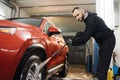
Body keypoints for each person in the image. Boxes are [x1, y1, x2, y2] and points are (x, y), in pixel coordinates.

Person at [66, 7, 116, 80]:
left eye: (77, 15)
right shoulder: (89, 19)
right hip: (104, 41)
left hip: (108, 40)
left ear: (82, 11)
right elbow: (88, 32)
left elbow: (85, 38)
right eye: (75, 17)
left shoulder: (91, 19)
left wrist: (72, 42)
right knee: (101, 66)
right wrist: (80, 34)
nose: (77, 18)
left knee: (102, 68)